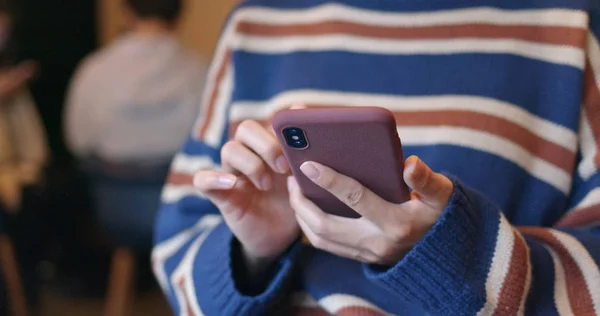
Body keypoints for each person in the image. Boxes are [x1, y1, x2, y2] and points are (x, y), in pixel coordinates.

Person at [152, 1, 600, 315]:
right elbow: (177, 252)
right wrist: (253, 251)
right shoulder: (255, 23)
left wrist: (454, 254)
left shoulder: (572, 21)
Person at [64, 0, 207, 249]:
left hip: (115, 209)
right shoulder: (201, 71)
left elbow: (77, 141)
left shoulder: (94, 69)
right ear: (180, 14)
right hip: (184, 210)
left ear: (127, 11)